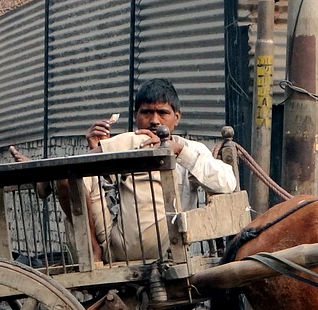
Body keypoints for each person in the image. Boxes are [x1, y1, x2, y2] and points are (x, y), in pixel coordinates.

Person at [83, 78, 238, 261]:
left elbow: (227, 183)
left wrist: (178, 152)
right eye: (147, 112)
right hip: (120, 244)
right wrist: (96, 154)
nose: (154, 120)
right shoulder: (126, 145)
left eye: (163, 113)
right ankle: (92, 251)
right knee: (77, 178)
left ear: (177, 117)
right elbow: (102, 197)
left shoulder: (190, 149)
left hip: (170, 250)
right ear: (136, 116)